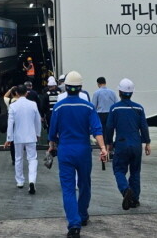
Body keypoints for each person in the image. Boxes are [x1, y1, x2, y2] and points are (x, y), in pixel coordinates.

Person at [47, 71, 108, 238]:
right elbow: (97, 130)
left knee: (68, 189)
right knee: (84, 185)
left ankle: (74, 225)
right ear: (80, 88)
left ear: (66, 87)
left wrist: (51, 146)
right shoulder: (88, 107)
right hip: (83, 151)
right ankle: (83, 215)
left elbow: (52, 132)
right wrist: (103, 148)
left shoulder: (59, 107)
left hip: (66, 151)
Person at [105, 78, 151, 211]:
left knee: (119, 170)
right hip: (136, 144)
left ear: (119, 92)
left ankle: (125, 191)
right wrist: (147, 142)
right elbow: (144, 126)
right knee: (135, 172)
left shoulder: (114, 109)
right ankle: (135, 199)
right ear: (132, 93)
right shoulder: (139, 108)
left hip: (121, 144)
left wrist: (108, 143)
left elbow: (109, 127)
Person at [4, 85, 41, 194]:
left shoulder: (13, 106)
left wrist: (9, 138)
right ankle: (32, 181)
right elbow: (37, 120)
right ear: (26, 93)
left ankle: (20, 181)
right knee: (32, 159)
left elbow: (10, 123)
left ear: (16, 93)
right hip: (31, 136)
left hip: (18, 137)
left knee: (18, 158)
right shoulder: (33, 104)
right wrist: (38, 134)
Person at [3, 86, 19, 165]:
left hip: (12, 123)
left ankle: (14, 159)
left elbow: (5, 96)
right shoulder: (22, 101)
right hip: (21, 124)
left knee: (12, 143)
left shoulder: (9, 101)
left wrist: (10, 89)